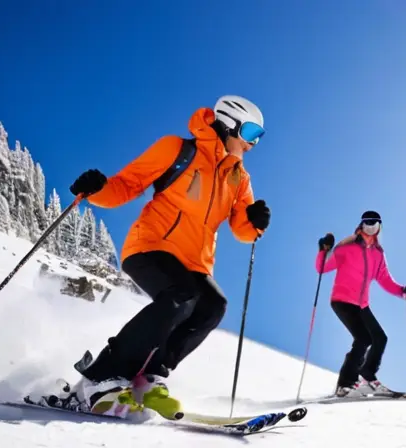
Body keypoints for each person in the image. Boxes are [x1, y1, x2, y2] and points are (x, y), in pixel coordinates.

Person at [65, 95, 272, 417]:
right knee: (180, 296)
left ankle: (149, 378)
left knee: (211, 307)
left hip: (195, 262)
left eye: (259, 137)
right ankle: (100, 378)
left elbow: (243, 231)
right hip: (151, 245)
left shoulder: (238, 177)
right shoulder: (178, 149)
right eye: (250, 133)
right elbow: (126, 186)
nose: (252, 144)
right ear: (228, 123)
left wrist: (255, 222)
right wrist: (98, 188)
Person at [315, 211, 406, 398]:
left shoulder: (378, 254)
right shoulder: (347, 246)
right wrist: (323, 250)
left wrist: (403, 291)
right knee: (363, 339)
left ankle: (367, 377)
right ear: (361, 225)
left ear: (379, 227)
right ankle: (345, 385)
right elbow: (322, 268)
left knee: (380, 338)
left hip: (361, 304)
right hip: (342, 300)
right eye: (367, 223)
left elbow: (385, 279)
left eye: (375, 224)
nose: (371, 227)